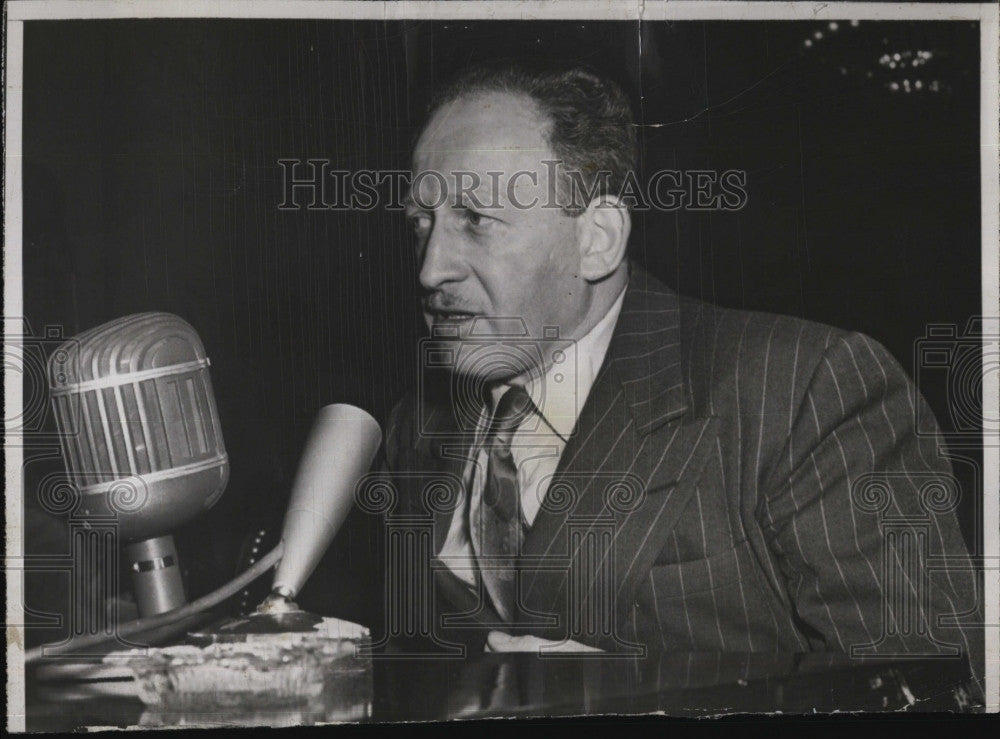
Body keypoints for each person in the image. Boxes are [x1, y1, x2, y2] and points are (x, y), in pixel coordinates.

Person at [310, 62, 982, 689]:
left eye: (476, 222)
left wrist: (640, 696)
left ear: (597, 238)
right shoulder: (416, 425)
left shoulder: (807, 389)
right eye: (420, 226)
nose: (430, 271)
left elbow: (923, 687)